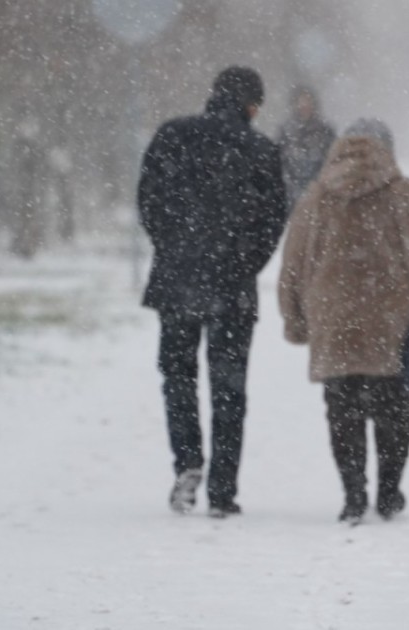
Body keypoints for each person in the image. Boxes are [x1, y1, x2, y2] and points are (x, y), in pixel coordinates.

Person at [278, 119, 409, 525]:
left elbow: (293, 264)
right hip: (390, 318)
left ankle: (353, 493)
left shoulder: (316, 197)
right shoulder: (402, 192)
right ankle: (388, 492)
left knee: (342, 409)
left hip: (332, 318)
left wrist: (295, 318)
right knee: (393, 409)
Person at [137, 66, 287, 518]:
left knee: (178, 376)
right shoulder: (260, 149)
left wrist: (173, 248)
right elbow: (273, 221)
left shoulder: (172, 135)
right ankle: (223, 489)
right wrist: (243, 264)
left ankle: (187, 462)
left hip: (177, 281)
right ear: (252, 105)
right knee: (229, 388)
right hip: (232, 288)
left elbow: (149, 201)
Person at [277, 85, 337, 210]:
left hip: (320, 191)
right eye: (300, 101)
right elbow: (279, 160)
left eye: (307, 101)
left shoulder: (325, 130)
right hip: (291, 192)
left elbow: (332, 159)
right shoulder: (285, 130)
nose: (304, 105)